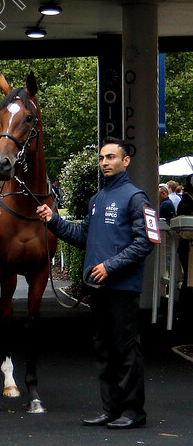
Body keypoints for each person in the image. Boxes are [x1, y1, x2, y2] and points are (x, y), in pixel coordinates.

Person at [36, 137, 155, 430]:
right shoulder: (96, 200)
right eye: (102, 158)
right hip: (98, 291)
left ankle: (133, 412)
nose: (105, 163)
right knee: (104, 350)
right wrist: (53, 220)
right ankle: (111, 409)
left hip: (123, 289)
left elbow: (147, 241)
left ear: (125, 161)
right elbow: (81, 237)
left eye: (111, 157)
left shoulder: (137, 197)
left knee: (126, 351)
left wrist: (109, 266)